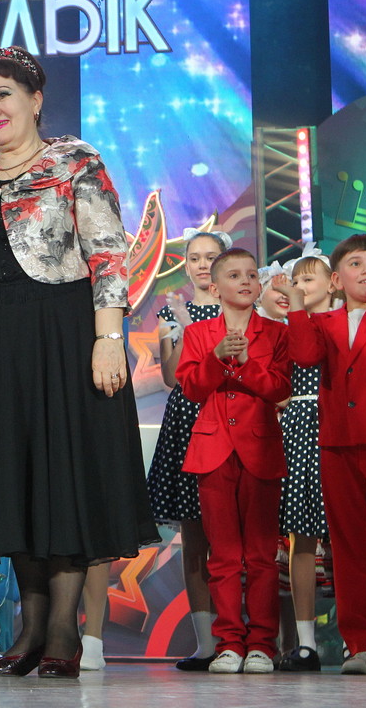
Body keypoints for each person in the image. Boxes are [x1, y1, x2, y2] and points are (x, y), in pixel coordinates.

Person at [0, 46, 157, 680]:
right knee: (14, 479)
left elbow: (108, 255)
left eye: (3, 94)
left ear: (35, 99)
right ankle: (28, 632)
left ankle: (62, 631)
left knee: (64, 477)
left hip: (63, 334)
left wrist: (108, 338)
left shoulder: (75, 162)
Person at [274, 235, 366, 676]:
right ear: (336, 279)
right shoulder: (324, 322)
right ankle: (361, 644)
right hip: (337, 443)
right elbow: (304, 356)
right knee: (349, 549)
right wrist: (297, 305)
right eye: (356, 263)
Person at [176, 248, 291, 674]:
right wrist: (217, 356)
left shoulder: (276, 333)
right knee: (222, 556)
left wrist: (243, 365)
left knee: (261, 554)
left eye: (251, 275)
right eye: (234, 275)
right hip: (213, 451)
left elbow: (279, 389)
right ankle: (229, 643)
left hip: (260, 449)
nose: (245, 282)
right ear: (215, 286)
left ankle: (261, 643)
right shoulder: (199, 333)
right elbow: (191, 387)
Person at [145, 229, 228, 670]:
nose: (201, 265)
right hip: (187, 424)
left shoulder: (243, 311)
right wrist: (183, 323)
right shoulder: (172, 312)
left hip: (231, 417)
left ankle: (246, 639)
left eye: (210, 256)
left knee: (236, 538)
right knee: (194, 538)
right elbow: (173, 376)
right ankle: (206, 643)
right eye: (194, 257)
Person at [272, 247, 334, 672]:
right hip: (297, 430)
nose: (300, 286)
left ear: (332, 283)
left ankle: (360, 641)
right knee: (301, 535)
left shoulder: (343, 323)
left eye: (309, 278)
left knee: (345, 536)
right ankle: (306, 642)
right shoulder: (285, 329)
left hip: (335, 424)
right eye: (296, 280)